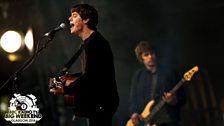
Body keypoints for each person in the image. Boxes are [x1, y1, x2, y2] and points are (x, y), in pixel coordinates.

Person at [49, 4, 119, 126]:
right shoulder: (87, 44)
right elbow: (92, 71)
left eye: (74, 16)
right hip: (96, 104)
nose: (69, 19)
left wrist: (65, 89)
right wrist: (70, 77)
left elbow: (92, 76)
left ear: (86, 19)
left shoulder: (96, 43)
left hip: (101, 103)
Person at [128, 41, 186, 126]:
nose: (150, 57)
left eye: (152, 53)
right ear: (141, 58)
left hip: (168, 120)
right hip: (146, 121)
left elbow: (183, 97)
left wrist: (174, 100)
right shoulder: (138, 76)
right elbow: (133, 100)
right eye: (146, 55)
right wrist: (134, 114)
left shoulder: (170, 72)